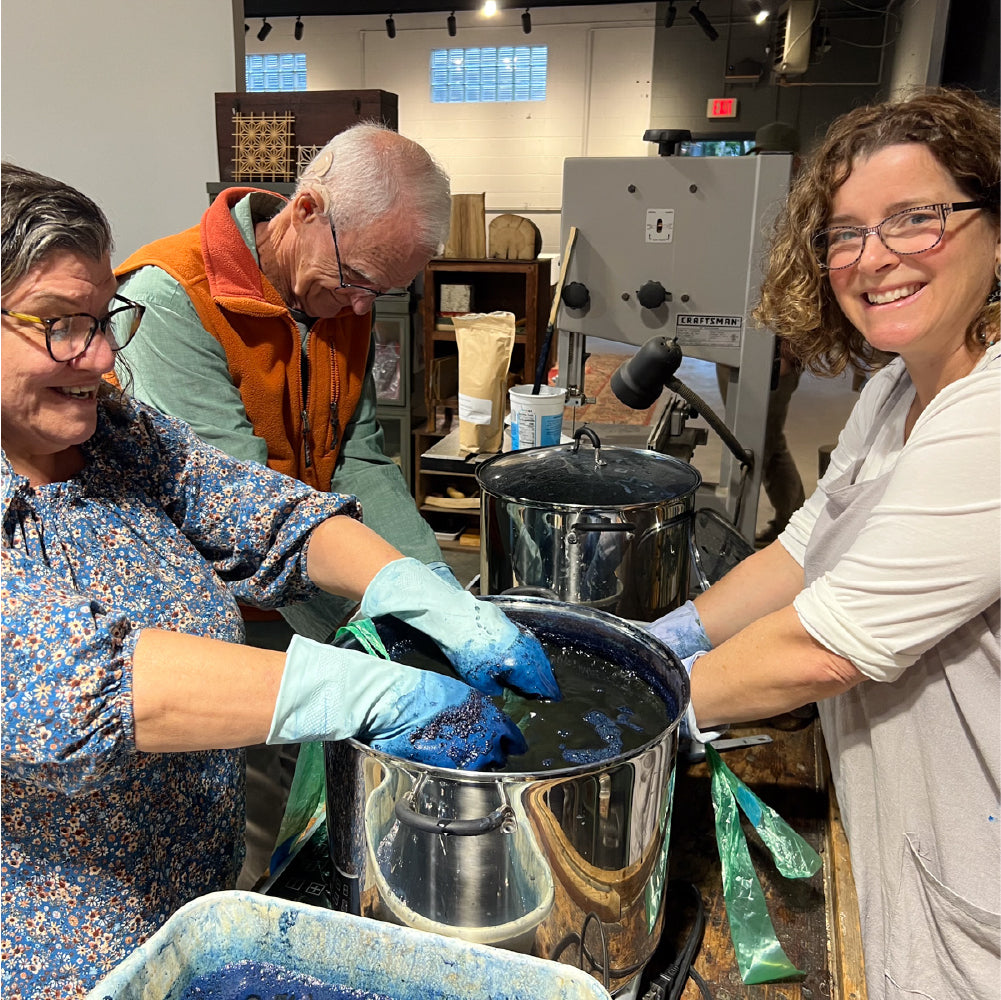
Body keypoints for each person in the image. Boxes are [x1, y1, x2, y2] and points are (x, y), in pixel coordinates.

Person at [0, 163, 558, 999]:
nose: (103, 354)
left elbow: (266, 511)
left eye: (103, 317)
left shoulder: (109, 429)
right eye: (57, 323)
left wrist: (423, 591)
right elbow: (78, 686)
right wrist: (371, 692)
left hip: (199, 906)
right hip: (71, 961)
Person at [648, 88, 999, 1000]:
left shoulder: (990, 414)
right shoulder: (895, 389)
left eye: (914, 219)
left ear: (995, 231)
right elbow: (807, 545)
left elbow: (823, 644)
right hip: (902, 810)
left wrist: (631, 705)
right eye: (844, 232)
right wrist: (666, 635)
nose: (872, 257)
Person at [114, 122, 453, 885]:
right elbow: (241, 517)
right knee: (249, 846)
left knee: (333, 815)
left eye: (383, 293)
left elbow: (359, 459)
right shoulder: (169, 300)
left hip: (308, 601)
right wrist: (383, 635)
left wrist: (429, 587)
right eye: (359, 279)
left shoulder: (339, 302)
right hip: (210, 628)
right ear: (305, 210)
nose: (363, 309)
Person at [718, 120, 807, 546]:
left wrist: (789, 345)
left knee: (765, 442)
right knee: (743, 432)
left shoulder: (807, 216)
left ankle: (792, 526)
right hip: (737, 337)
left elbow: (805, 288)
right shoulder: (751, 204)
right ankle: (783, 520)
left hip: (777, 347)